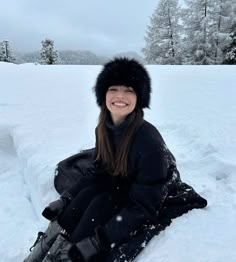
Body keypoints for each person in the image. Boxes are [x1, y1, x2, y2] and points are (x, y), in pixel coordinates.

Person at [23, 57, 206, 262]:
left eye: (129, 90)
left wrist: (99, 241)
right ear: (104, 95)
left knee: (98, 205)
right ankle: (48, 247)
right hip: (122, 183)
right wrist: (66, 199)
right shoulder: (103, 128)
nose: (121, 96)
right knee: (83, 198)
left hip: (148, 193)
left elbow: (145, 207)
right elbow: (98, 169)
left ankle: (66, 255)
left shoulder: (149, 143)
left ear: (139, 98)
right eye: (113, 89)